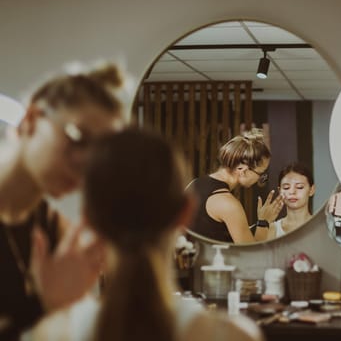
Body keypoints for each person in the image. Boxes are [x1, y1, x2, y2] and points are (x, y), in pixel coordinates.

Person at [23, 128, 263, 341]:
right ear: (185, 214)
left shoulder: (53, 333)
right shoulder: (234, 335)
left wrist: (54, 310)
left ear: (88, 218)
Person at [0, 63, 126, 340]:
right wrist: (46, 306)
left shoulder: (52, 228)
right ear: (31, 120)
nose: (85, 164)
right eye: (77, 138)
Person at [188, 129, 283, 244]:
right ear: (242, 170)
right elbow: (251, 254)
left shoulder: (193, 184)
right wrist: (264, 222)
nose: (260, 178)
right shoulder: (228, 204)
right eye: (261, 173)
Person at [267, 162, 316, 240]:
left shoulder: (322, 226)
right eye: (286, 188)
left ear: (311, 190)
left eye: (299, 187)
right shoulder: (272, 229)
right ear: (279, 191)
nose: (292, 192)